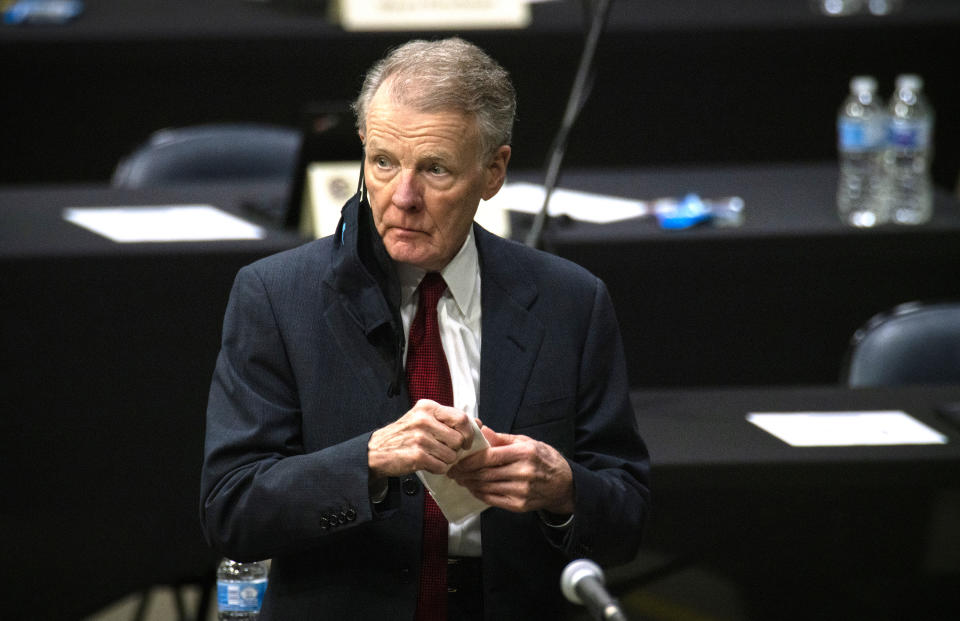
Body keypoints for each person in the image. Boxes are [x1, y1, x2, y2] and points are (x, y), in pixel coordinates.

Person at [200, 37, 650, 620]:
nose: (402, 197)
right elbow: (230, 511)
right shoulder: (277, 297)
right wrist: (367, 459)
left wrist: (563, 490)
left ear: (493, 172)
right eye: (384, 162)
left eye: (435, 169)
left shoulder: (571, 301)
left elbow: (628, 518)